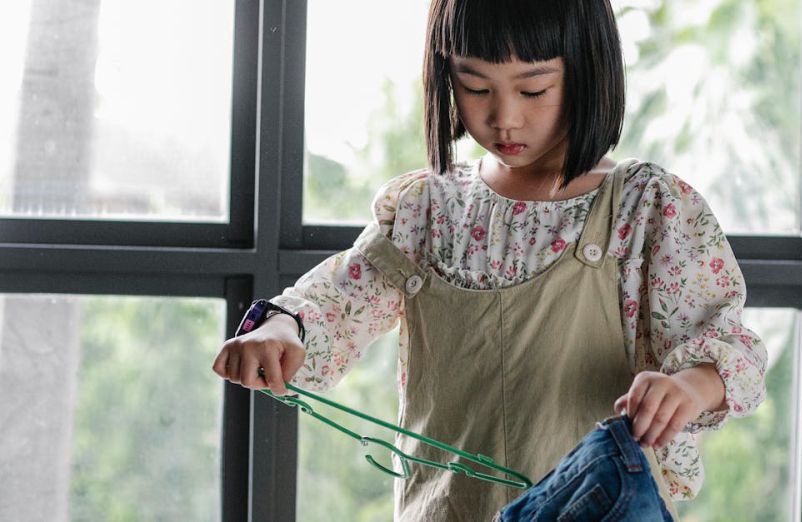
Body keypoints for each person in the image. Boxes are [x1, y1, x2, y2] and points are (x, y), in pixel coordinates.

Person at [212, 0, 768, 520]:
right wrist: (283, 328)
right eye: (475, 86)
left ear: (588, 72)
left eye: (534, 90)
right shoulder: (428, 210)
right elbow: (337, 300)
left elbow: (729, 347)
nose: (504, 118)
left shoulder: (644, 210)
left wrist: (692, 386)